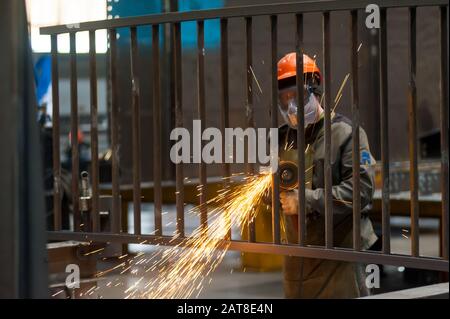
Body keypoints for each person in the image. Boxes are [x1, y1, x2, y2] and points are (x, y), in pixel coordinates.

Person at [277, 52, 378, 298]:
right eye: (285, 99)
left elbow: (360, 191)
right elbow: (262, 190)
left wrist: (305, 200)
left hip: (340, 257)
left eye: (297, 96)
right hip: (298, 258)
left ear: (315, 91)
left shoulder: (347, 134)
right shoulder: (280, 139)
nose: (291, 106)